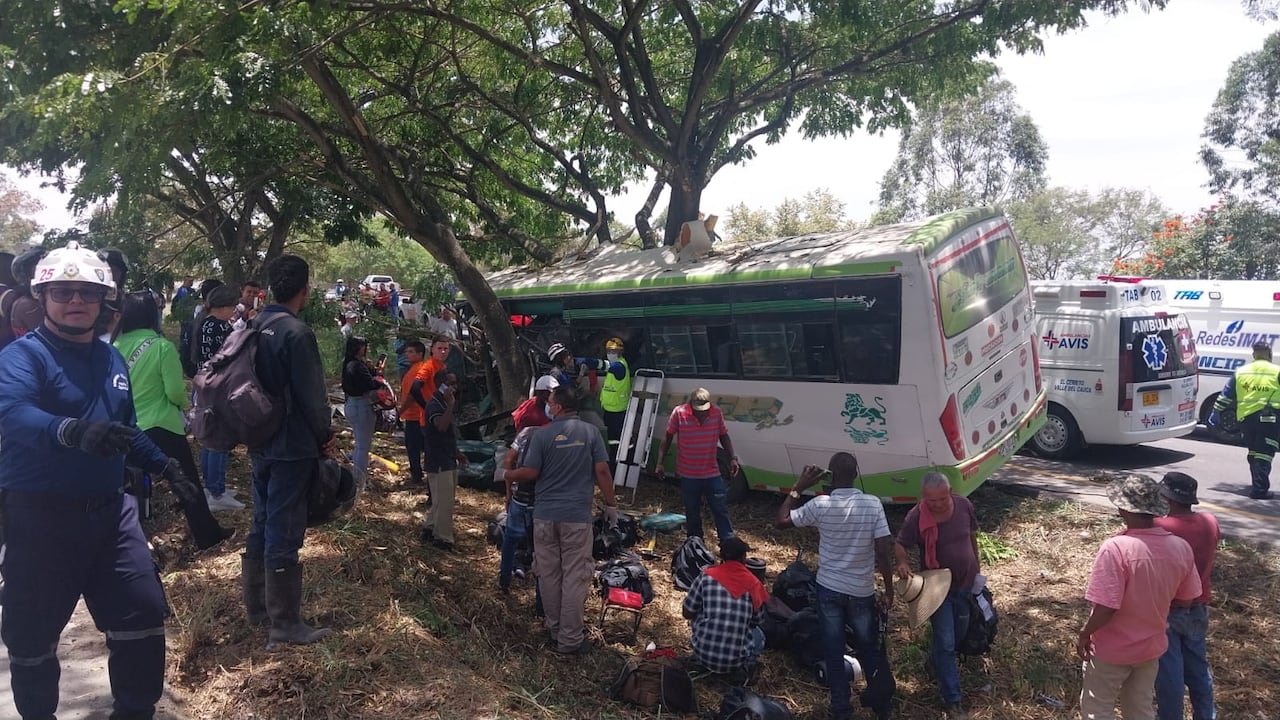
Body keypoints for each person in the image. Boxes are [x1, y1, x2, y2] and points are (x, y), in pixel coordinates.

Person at [0, 240, 203, 720]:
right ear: (43, 296)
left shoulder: (111, 359)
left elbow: (124, 428)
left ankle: (134, 711)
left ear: (104, 301)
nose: (76, 301)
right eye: (64, 292)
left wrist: (165, 465)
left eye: (87, 293)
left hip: (113, 516)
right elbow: (13, 414)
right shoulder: (23, 357)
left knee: (143, 616)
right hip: (39, 520)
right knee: (31, 637)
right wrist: (69, 430)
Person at [240, 254, 336, 648]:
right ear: (305, 289)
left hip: (259, 439)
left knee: (262, 521)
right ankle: (284, 625)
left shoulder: (253, 325)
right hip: (292, 447)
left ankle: (257, 609)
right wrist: (325, 435)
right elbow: (313, 398)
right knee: (284, 529)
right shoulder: (296, 333)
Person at [776, 453, 896, 720]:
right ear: (856, 473)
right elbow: (883, 552)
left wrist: (799, 486)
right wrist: (888, 590)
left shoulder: (821, 504)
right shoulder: (872, 504)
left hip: (828, 587)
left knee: (833, 647)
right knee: (868, 647)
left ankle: (841, 708)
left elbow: (781, 520)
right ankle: (880, 704)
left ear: (830, 475)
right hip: (861, 590)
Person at [114, 291, 237, 547]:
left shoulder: (112, 349)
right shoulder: (160, 347)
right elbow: (173, 391)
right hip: (162, 426)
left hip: (127, 428)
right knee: (186, 481)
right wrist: (186, 407)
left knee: (125, 485)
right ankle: (207, 535)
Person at [1077, 474, 1201, 720]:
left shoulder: (1115, 549)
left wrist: (1085, 633)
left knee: (1098, 709)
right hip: (1151, 647)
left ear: (1123, 507)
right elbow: (1187, 599)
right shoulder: (1180, 547)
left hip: (1112, 649)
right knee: (1140, 709)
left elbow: (1106, 607)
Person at [505, 385, 619, 655]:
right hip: (576, 518)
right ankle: (569, 640)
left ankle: (555, 628)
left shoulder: (543, 436)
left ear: (558, 407)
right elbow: (602, 470)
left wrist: (507, 475)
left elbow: (530, 472)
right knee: (574, 576)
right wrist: (611, 504)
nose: (548, 406)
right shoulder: (590, 433)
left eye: (551, 402)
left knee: (549, 574)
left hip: (544, 516)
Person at [894, 472, 980, 719]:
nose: (938, 504)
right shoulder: (917, 516)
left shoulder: (964, 506)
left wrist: (978, 570)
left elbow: (972, 537)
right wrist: (902, 563)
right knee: (946, 642)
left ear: (950, 491)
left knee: (960, 632)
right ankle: (953, 700)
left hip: (965, 583)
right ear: (924, 498)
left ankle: (936, 662)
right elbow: (900, 544)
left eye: (942, 499)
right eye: (932, 501)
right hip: (937, 590)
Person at [1154, 472, 1220, 720]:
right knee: (1199, 671)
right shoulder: (1210, 522)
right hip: (1199, 607)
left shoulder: (1161, 527)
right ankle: (1206, 715)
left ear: (1168, 498)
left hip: (1170, 608)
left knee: (1170, 676)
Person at [654, 387, 739, 542]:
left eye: (704, 409)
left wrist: (732, 458)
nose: (702, 413)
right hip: (688, 474)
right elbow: (667, 438)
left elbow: (724, 436)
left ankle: (728, 544)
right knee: (692, 512)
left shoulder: (716, 413)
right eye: (698, 410)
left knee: (720, 509)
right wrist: (660, 463)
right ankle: (695, 543)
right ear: (690, 405)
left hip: (711, 473)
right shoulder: (679, 413)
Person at [682, 536, 769, 677]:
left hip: (703, 655)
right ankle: (745, 668)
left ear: (721, 557)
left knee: (699, 613)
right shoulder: (754, 583)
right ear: (743, 558)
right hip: (735, 662)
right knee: (759, 635)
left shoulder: (706, 576)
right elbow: (756, 621)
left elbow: (687, 612)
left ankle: (702, 661)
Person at [1209, 340, 1280, 499]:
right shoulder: (1277, 371)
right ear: (1269, 354)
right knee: (1265, 453)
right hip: (1269, 418)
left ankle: (1257, 483)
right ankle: (1259, 490)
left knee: (1254, 452)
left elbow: (1226, 395)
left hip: (1246, 419)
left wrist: (1216, 413)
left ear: (1254, 354)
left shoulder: (1241, 372)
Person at [198, 285, 243, 509]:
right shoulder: (221, 328)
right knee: (220, 440)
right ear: (224, 307)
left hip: (204, 382)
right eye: (232, 307)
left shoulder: (203, 323)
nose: (234, 311)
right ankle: (217, 492)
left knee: (208, 437)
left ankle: (210, 485)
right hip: (221, 386)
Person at [421, 370, 466, 551]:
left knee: (442, 499)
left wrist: (456, 453)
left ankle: (430, 527)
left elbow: (447, 435)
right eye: (450, 384)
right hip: (438, 460)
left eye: (455, 384)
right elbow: (440, 426)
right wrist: (450, 406)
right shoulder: (435, 405)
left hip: (446, 456)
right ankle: (443, 537)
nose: (453, 388)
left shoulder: (441, 403)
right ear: (440, 384)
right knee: (445, 501)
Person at [342, 335, 383, 493]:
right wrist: (378, 375)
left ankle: (359, 478)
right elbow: (371, 384)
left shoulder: (349, 364)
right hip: (361, 405)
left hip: (352, 404)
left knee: (360, 444)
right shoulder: (357, 366)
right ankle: (359, 481)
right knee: (362, 447)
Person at [581, 336, 632, 458]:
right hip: (610, 410)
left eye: (613, 351)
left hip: (618, 412)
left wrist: (588, 361)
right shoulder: (615, 365)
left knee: (618, 441)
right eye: (608, 351)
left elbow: (604, 365)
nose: (610, 353)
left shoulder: (619, 366)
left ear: (620, 351)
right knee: (613, 440)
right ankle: (615, 460)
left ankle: (618, 463)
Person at [546, 342, 608, 439]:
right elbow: (569, 388)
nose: (569, 357)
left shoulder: (572, 365)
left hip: (572, 406)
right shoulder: (556, 374)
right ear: (559, 360)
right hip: (564, 410)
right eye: (565, 356)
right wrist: (580, 376)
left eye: (568, 354)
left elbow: (593, 363)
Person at [397, 339, 431, 486]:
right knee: (421, 447)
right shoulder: (412, 370)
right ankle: (423, 475)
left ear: (420, 354)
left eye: (411, 352)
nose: (407, 354)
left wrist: (400, 411)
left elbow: (412, 396)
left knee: (414, 448)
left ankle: (417, 476)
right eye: (407, 351)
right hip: (416, 415)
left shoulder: (419, 371)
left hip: (415, 416)